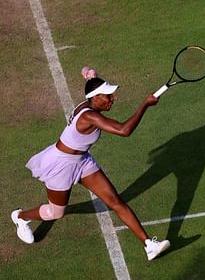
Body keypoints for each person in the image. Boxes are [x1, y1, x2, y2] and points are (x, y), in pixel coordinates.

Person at [11, 66, 170, 261]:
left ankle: (149, 245)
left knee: (115, 201)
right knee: (56, 212)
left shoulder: (88, 103)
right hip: (60, 164)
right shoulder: (89, 116)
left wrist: (91, 76)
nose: (113, 99)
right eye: (108, 96)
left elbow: (91, 87)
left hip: (82, 161)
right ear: (95, 98)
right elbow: (124, 130)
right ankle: (20, 217)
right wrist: (145, 104)